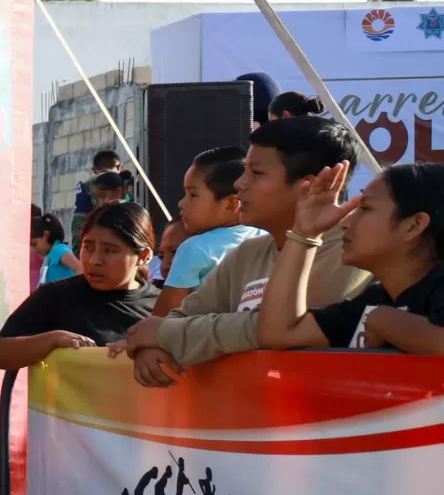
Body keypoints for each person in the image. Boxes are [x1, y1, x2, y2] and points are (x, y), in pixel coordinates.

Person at [118, 115, 369, 388]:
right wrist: (154, 346)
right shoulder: (247, 254)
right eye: (244, 171)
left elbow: (288, 329)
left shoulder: (355, 252)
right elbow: (179, 318)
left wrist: (166, 335)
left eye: (256, 173)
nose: (240, 184)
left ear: (308, 186)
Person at [258, 162, 444, 353]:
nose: (344, 223)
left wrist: (384, 321)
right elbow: (279, 334)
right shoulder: (374, 301)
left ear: (413, 226)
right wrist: (304, 234)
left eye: (365, 208)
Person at [0, 203, 157, 370]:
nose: (94, 260)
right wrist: (52, 340)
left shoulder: (161, 306)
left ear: (144, 256)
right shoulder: (55, 296)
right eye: (88, 247)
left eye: (109, 250)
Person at [153, 148, 260, 317]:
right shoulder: (265, 238)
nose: (181, 203)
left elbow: (163, 317)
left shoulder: (195, 248)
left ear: (231, 204)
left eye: (193, 195)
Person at [34, 210, 79, 289]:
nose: (33, 250)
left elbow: (79, 269)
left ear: (46, 235)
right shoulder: (49, 256)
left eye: (34, 244)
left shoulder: (59, 250)